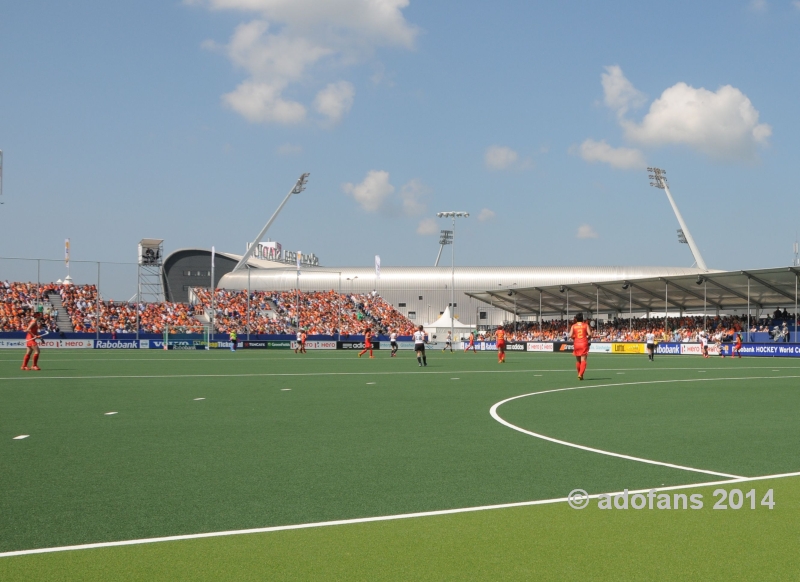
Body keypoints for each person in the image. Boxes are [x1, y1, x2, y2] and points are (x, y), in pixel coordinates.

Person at [568, 313, 592, 380]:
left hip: (576, 343)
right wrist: (588, 338)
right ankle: (580, 374)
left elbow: (570, 335)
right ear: (582, 319)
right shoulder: (585, 325)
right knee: (583, 360)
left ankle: (580, 376)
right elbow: (590, 334)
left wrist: (574, 338)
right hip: (583, 343)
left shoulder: (573, 326)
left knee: (578, 361)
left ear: (576, 319)